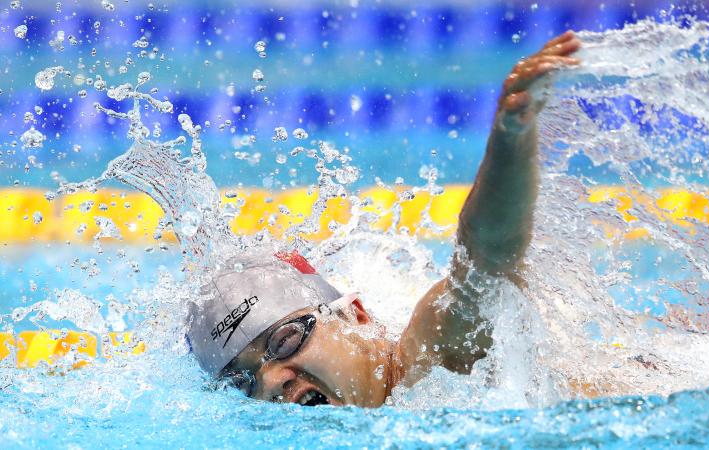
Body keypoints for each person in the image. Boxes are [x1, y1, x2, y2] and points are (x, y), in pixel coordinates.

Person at [185, 31, 582, 407]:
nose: (271, 382)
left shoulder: (433, 361)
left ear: (355, 316)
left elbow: (487, 260)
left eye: (286, 341)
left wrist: (511, 135)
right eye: (243, 382)